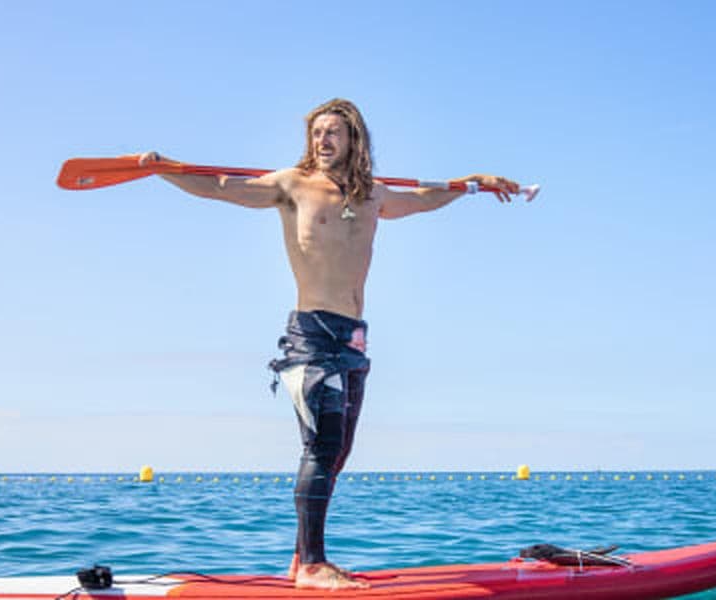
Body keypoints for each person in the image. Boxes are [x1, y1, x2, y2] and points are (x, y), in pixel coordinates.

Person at [139, 98, 520, 590]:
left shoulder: (374, 195)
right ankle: (315, 565)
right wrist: (164, 170)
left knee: (338, 451)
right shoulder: (290, 185)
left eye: (332, 133)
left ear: (353, 140)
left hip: (354, 337)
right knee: (321, 446)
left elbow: (425, 197)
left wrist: (472, 184)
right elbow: (219, 188)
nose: (322, 141)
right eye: (317, 132)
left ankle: (302, 559)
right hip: (313, 334)